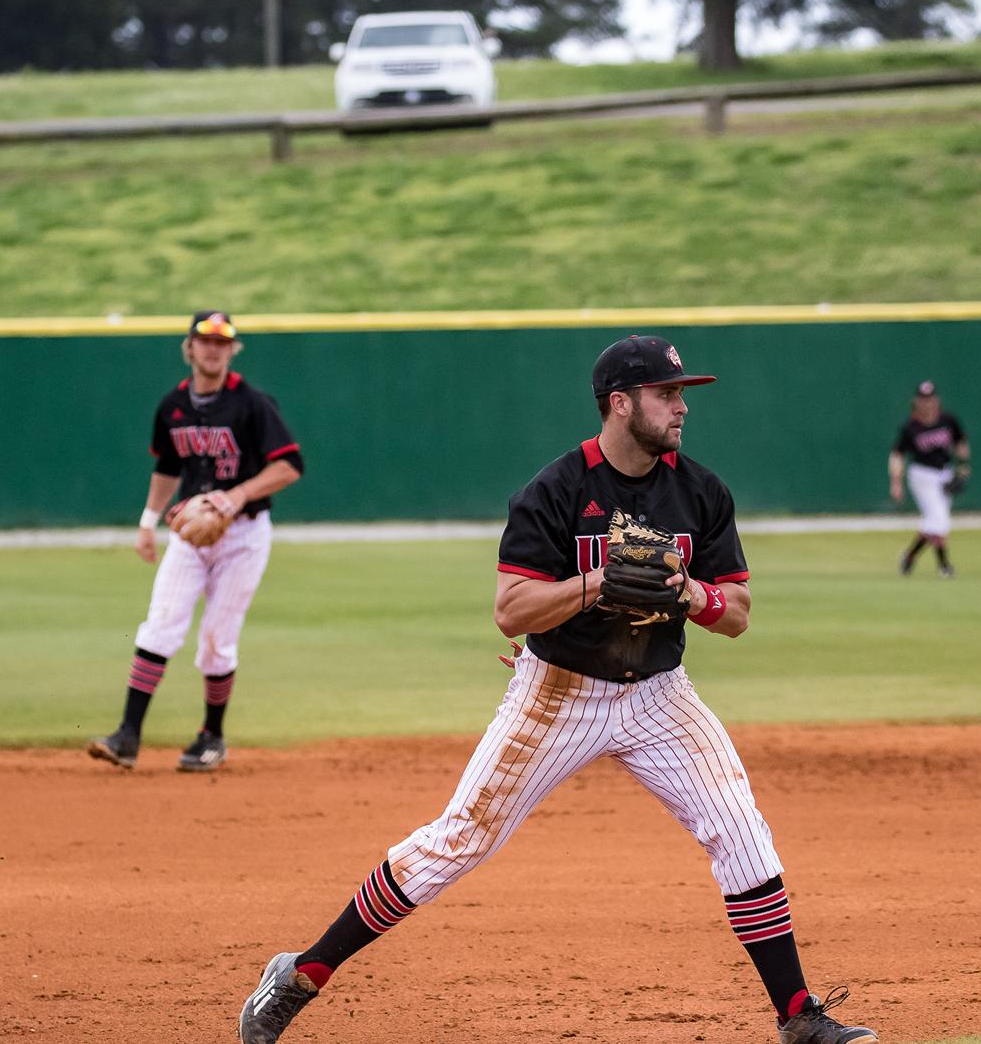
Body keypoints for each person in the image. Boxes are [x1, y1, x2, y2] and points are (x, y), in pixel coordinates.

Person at [236, 335, 877, 1044]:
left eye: (682, 393)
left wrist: (692, 593)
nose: (682, 406)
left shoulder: (701, 490)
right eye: (667, 393)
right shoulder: (557, 490)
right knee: (458, 839)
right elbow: (511, 609)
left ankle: (798, 1017)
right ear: (621, 402)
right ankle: (301, 973)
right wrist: (599, 580)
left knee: (742, 831)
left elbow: (739, 614)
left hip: (661, 695)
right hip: (559, 693)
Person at [87, 311, 304, 772]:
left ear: (232, 349)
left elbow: (289, 465)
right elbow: (167, 468)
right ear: (189, 347)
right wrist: (148, 522)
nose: (213, 349)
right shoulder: (172, 406)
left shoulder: (251, 403)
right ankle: (126, 737)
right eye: (205, 340)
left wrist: (236, 496)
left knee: (217, 640)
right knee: (161, 624)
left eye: (222, 342)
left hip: (244, 534)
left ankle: (212, 736)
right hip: (188, 531)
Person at [888, 380, 970, 578]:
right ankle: (944, 566)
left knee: (934, 522)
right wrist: (896, 482)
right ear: (916, 402)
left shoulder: (948, 421)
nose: (927, 403)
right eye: (923, 399)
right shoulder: (910, 428)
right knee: (939, 519)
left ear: (937, 400)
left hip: (945, 473)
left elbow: (961, 443)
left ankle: (909, 556)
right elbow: (897, 455)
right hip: (922, 475)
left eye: (930, 399)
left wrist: (963, 467)